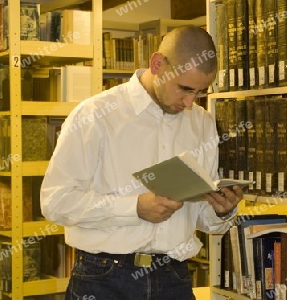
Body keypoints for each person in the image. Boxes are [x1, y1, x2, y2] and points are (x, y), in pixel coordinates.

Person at [40, 25, 243, 300]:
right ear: (158, 64)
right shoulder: (95, 115)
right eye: (184, 89)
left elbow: (201, 218)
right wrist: (133, 208)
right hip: (103, 279)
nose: (189, 102)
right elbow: (55, 201)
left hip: (175, 277)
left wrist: (221, 211)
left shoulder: (202, 123)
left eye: (199, 92)